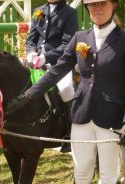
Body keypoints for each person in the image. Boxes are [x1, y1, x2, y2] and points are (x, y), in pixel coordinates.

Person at [7, 0, 125, 184]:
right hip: (81, 115)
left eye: (102, 4)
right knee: (81, 173)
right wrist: (27, 96)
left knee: (108, 175)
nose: (97, 9)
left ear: (114, 5)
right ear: (87, 9)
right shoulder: (81, 37)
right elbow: (56, 71)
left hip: (111, 118)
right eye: (92, 5)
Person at [25, 0, 79, 152]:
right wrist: (31, 52)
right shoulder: (39, 10)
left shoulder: (70, 13)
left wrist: (46, 57)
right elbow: (31, 38)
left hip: (60, 62)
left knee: (66, 88)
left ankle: (70, 133)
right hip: (35, 59)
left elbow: (68, 44)